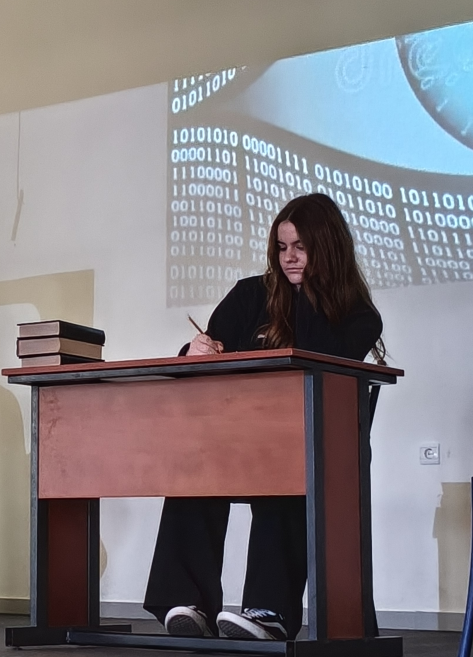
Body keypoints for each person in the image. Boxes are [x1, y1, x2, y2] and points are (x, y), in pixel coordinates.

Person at [144, 193, 385, 641]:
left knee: (290, 471)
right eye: (281, 247)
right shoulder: (249, 294)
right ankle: (187, 602)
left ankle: (268, 614)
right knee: (194, 469)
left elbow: (320, 357)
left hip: (307, 440)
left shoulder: (358, 316)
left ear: (327, 248)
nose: (289, 257)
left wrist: (305, 293)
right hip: (238, 433)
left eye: (301, 247)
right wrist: (194, 351)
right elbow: (206, 359)